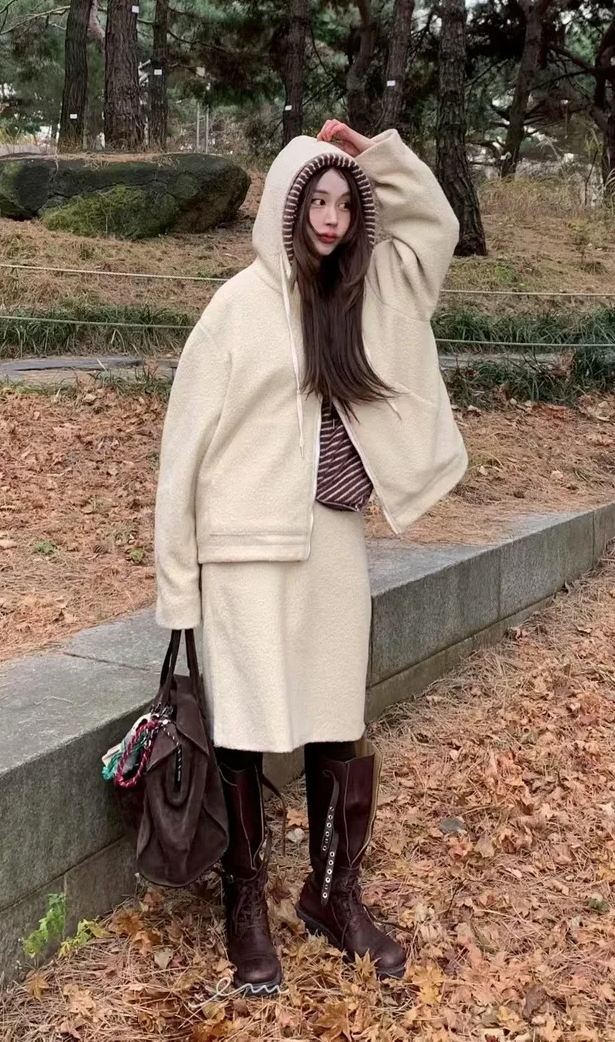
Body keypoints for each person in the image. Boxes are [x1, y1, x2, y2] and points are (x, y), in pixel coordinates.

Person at [154, 119, 468, 993]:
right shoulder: (236, 306)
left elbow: (436, 227)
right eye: (315, 200)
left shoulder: (368, 292)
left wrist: (376, 156)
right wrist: (178, 589)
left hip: (333, 537)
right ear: (286, 208)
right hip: (244, 549)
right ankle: (244, 903)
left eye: (344, 203)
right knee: (244, 731)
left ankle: (333, 893)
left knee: (337, 721)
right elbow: (181, 455)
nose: (330, 218)